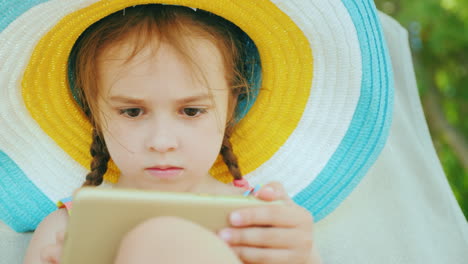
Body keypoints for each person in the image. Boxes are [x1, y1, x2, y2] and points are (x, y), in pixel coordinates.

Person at [22, 5, 320, 264]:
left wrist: (302, 256)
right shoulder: (65, 230)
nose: (162, 142)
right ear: (94, 115)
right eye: (132, 112)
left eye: (191, 111)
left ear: (231, 109)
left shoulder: (262, 222)